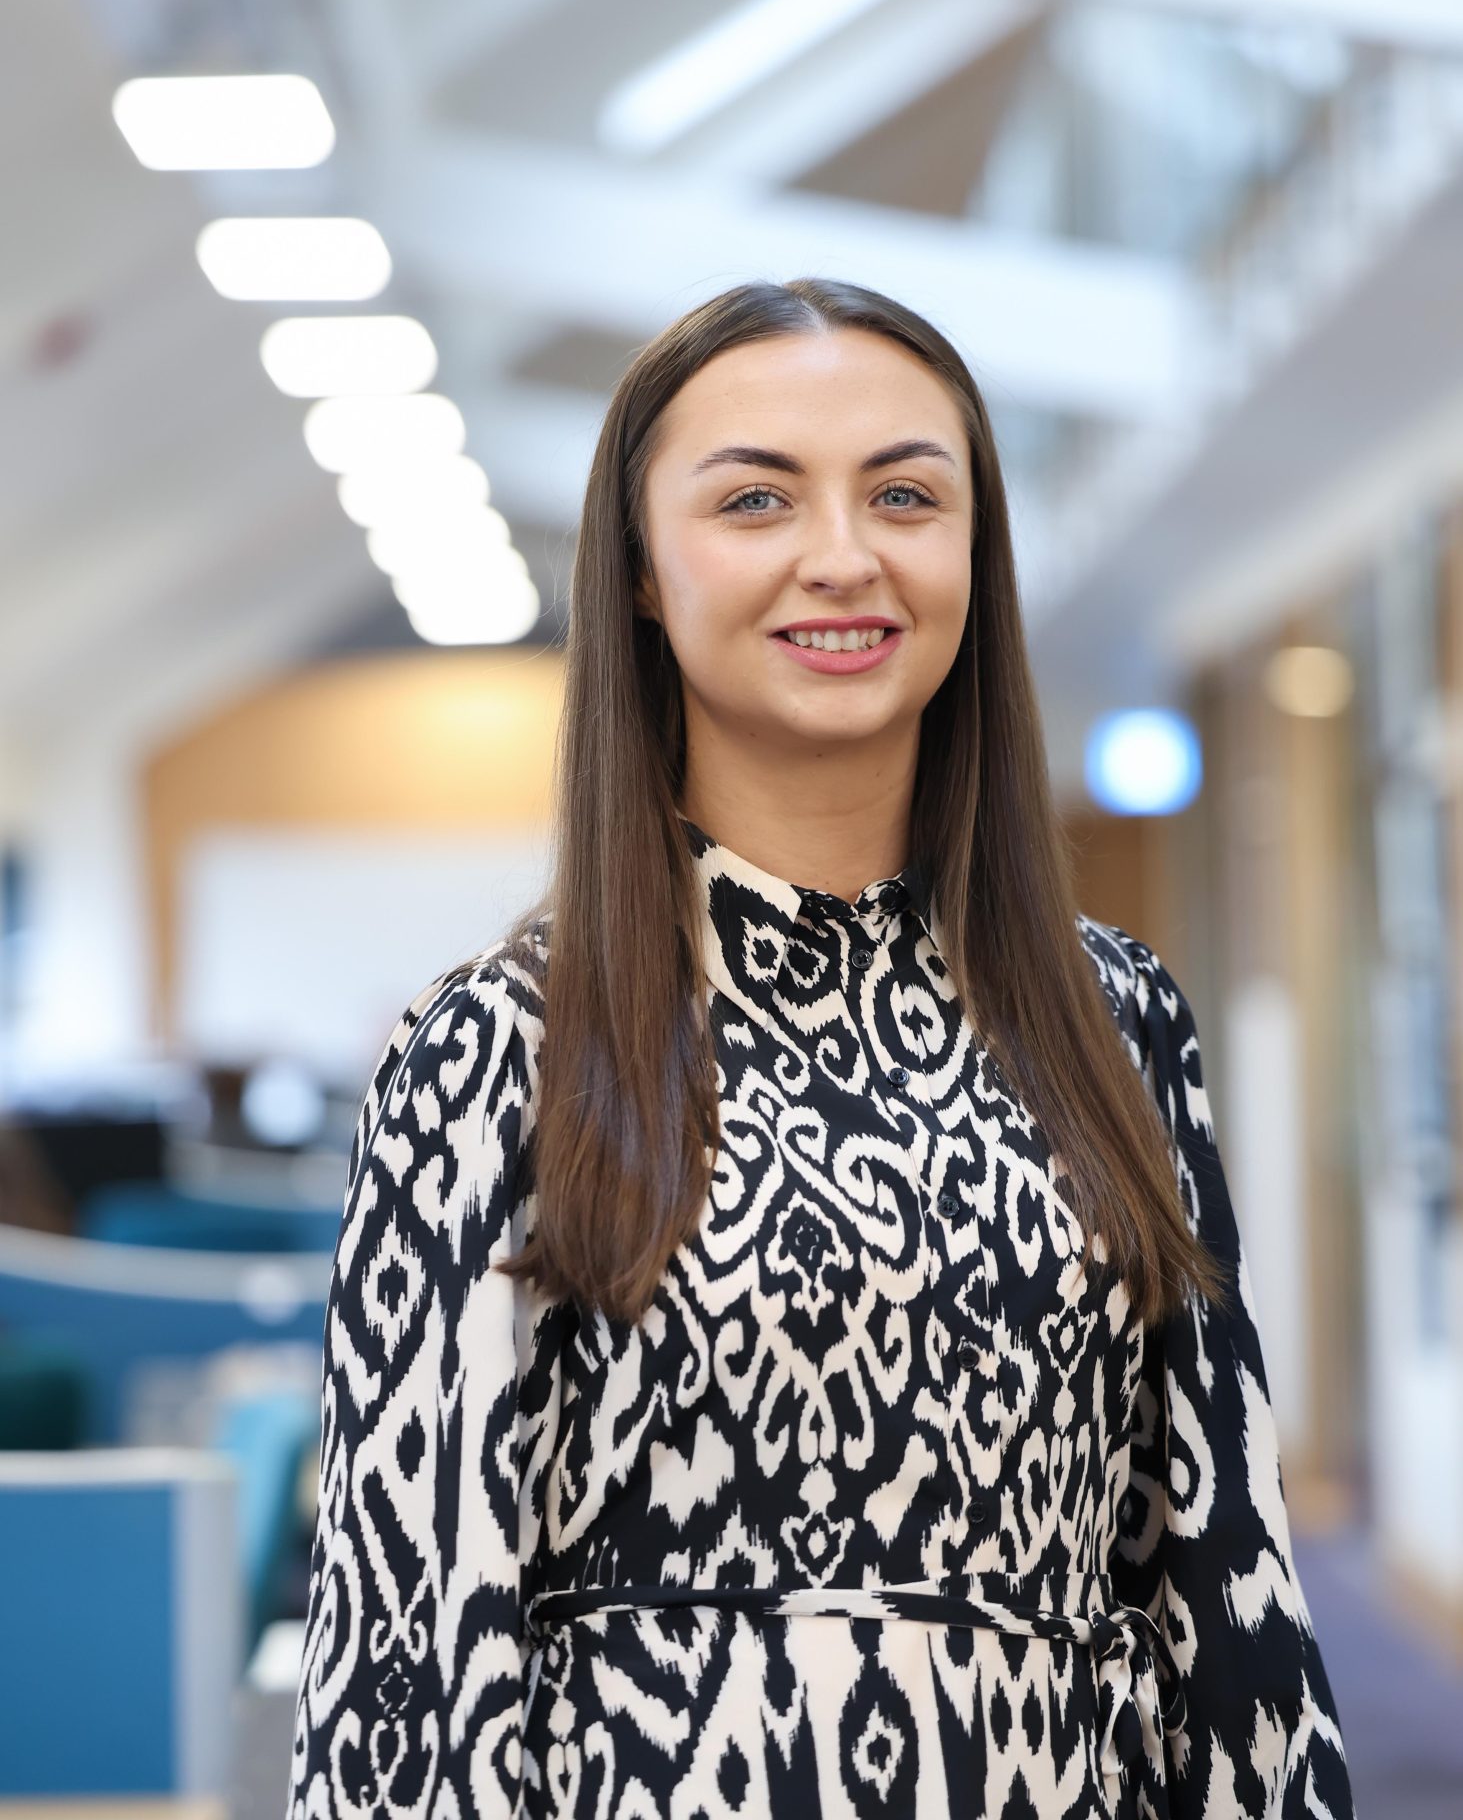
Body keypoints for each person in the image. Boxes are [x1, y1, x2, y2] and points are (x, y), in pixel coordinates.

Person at [287, 278, 1355, 1819]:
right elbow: (405, 1669)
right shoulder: (495, 1051)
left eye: (908, 495)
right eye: (756, 499)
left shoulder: (1116, 1022)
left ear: (974, 552)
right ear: (643, 571)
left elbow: (1229, 1581)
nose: (844, 556)